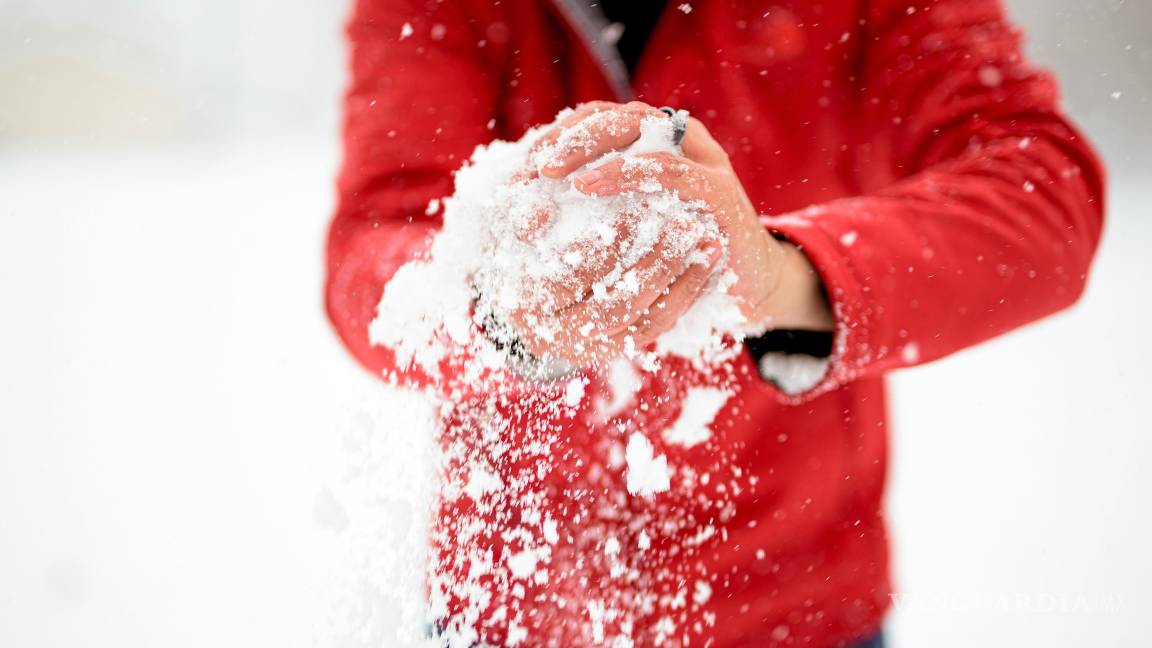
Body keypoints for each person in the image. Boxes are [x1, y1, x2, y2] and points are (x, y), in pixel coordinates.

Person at [325, 0, 1104, 646]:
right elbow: (372, 251)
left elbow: (1042, 193)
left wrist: (782, 274)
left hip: (801, 610)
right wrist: (499, 311)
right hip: (511, 605)